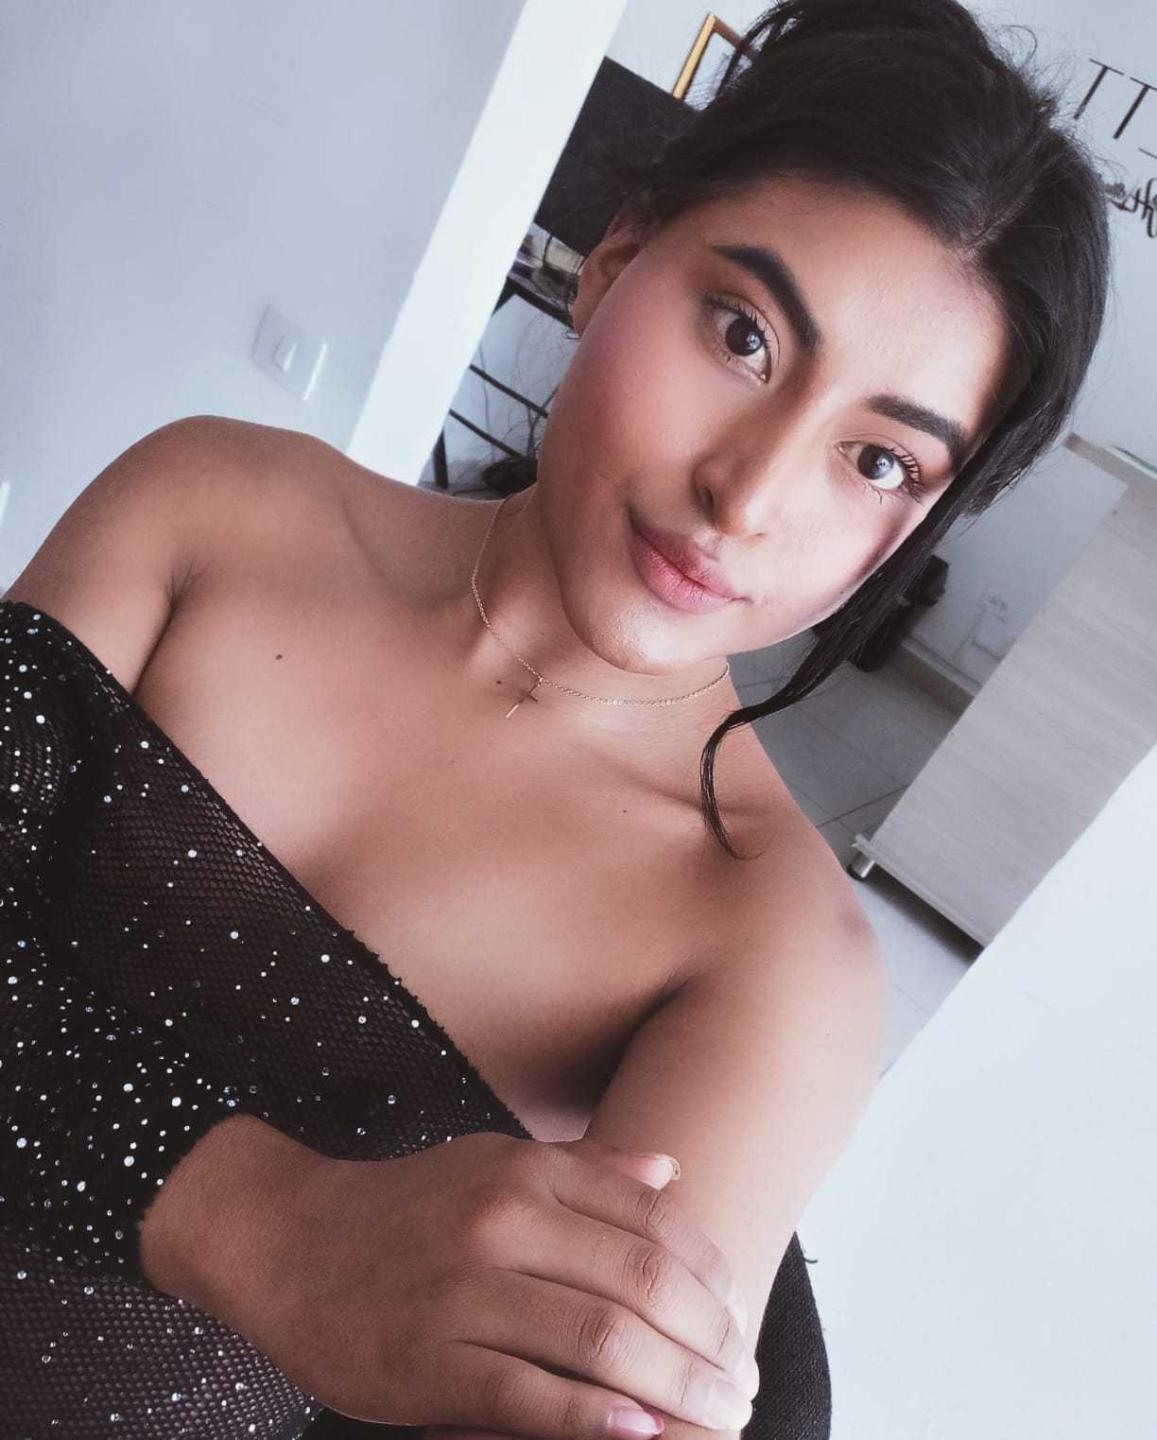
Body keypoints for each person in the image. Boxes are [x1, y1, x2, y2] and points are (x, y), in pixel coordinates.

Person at [0, 1, 1110, 1435]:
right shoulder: (210, 505)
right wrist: (257, 1224)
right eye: (744, 336)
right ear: (615, 259)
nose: (749, 495)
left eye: (880, 461)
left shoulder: (766, 957)